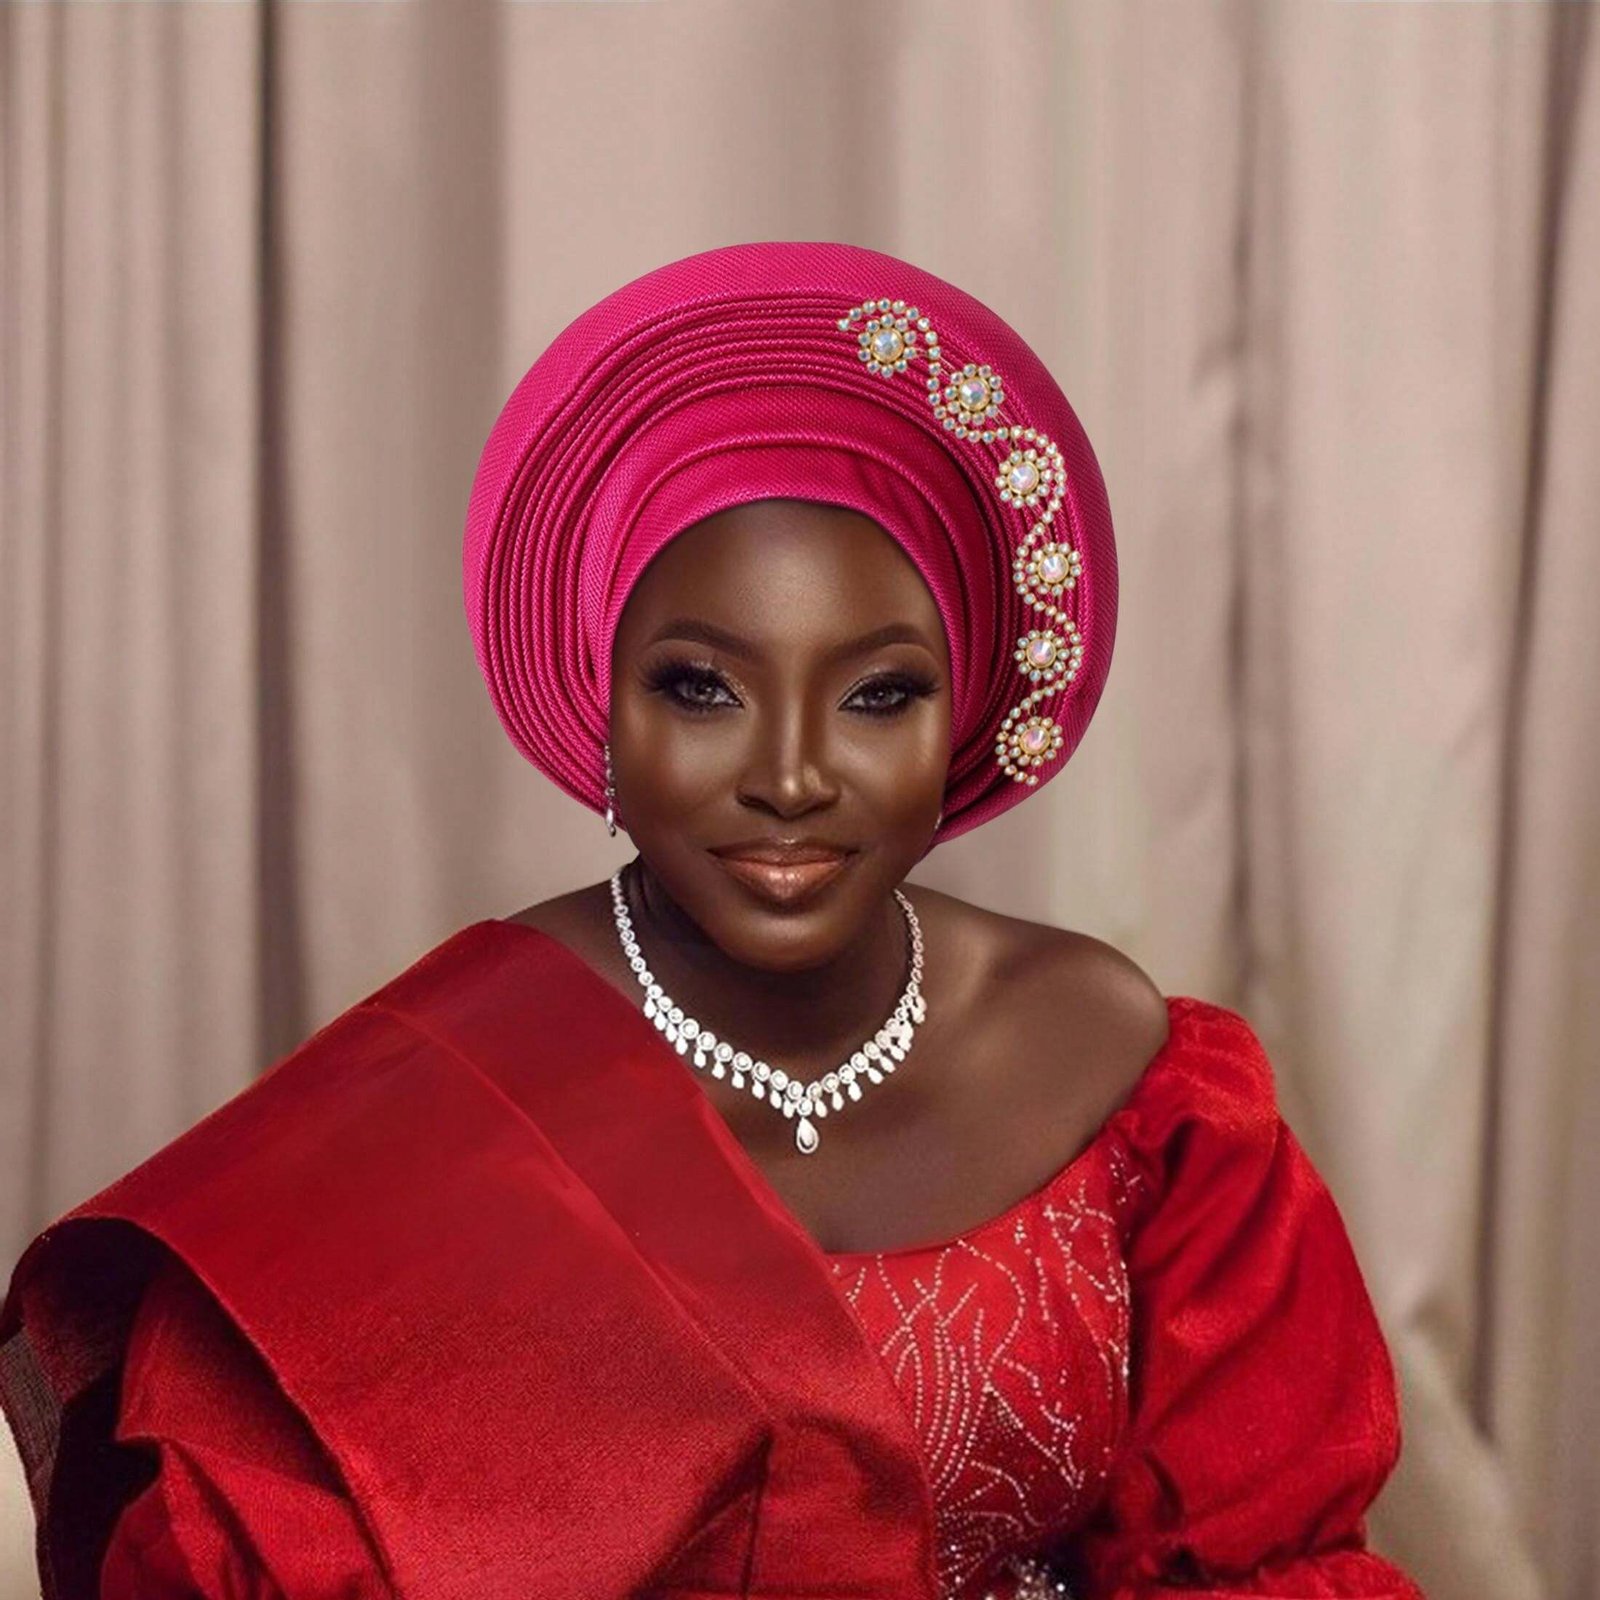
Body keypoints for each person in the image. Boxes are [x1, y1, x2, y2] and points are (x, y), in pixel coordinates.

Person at [0, 242, 1424, 1600]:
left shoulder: (1124, 1079)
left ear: (966, 715)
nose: (792, 776)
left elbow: (1254, 1557)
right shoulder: (443, 1108)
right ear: (599, 704)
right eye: (701, 688)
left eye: (878, 695)